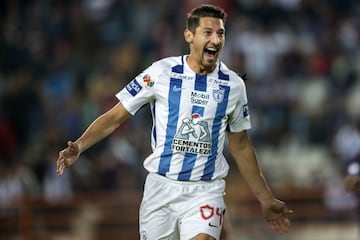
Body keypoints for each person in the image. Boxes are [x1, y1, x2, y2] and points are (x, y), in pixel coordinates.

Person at [57, 4, 292, 240]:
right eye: (207, 33)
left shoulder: (233, 85)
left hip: (206, 189)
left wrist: (265, 197)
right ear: (189, 36)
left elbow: (240, 145)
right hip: (161, 188)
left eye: (220, 33)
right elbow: (115, 116)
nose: (216, 39)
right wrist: (79, 145)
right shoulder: (160, 73)